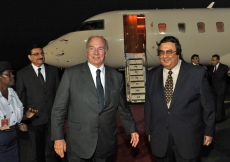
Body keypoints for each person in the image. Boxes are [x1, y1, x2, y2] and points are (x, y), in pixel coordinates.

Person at [51, 36, 139, 162]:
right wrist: (58, 138)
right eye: (92, 48)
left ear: (106, 52)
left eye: (100, 49)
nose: (96, 53)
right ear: (87, 51)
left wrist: (132, 129)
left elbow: (123, 108)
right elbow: (58, 109)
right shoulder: (71, 74)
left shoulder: (116, 77)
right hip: (79, 144)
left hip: (106, 143)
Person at [144, 36, 215, 162]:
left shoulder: (196, 73)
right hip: (160, 137)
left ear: (178, 53)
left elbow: (208, 105)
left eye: (169, 52)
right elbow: (149, 105)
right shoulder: (151, 75)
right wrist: (149, 131)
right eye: (161, 52)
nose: (164, 56)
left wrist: (209, 131)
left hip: (188, 138)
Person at [15, 45, 60, 162]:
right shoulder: (22, 74)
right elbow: (20, 98)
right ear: (29, 57)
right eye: (36, 54)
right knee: (38, 151)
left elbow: (58, 94)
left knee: (57, 149)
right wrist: (22, 120)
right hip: (34, 119)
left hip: (52, 118)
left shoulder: (53, 70)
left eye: (41, 53)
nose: (40, 56)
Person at [0, 61, 36, 162]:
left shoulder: (12, 92)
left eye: (12, 73)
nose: (12, 76)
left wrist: (24, 117)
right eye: (8, 74)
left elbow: (13, 115)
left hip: (12, 137)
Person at [208, 54, 230, 123]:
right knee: (216, 104)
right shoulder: (211, 68)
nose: (212, 61)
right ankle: (223, 117)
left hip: (221, 89)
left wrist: (229, 73)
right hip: (214, 90)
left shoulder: (224, 67)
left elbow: (228, 75)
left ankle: (219, 118)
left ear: (218, 60)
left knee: (219, 104)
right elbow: (209, 76)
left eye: (214, 60)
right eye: (212, 60)